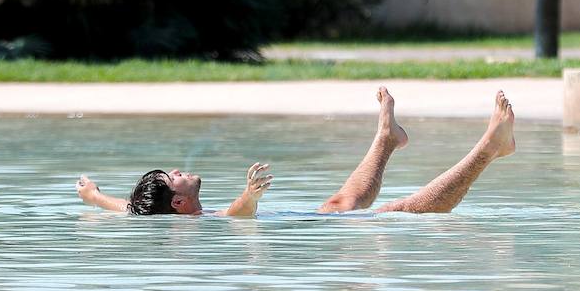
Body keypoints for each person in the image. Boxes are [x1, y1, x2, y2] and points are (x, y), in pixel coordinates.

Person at [75, 87, 516, 217]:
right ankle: (488, 148)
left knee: (347, 202)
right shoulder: (194, 228)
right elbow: (236, 215)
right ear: (179, 201)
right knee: (401, 210)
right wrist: (248, 197)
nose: (177, 169)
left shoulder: (156, 216)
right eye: (174, 177)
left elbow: (128, 209)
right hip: (305, 229)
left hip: (307, 222)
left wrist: (94, 196)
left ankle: (386, 140)